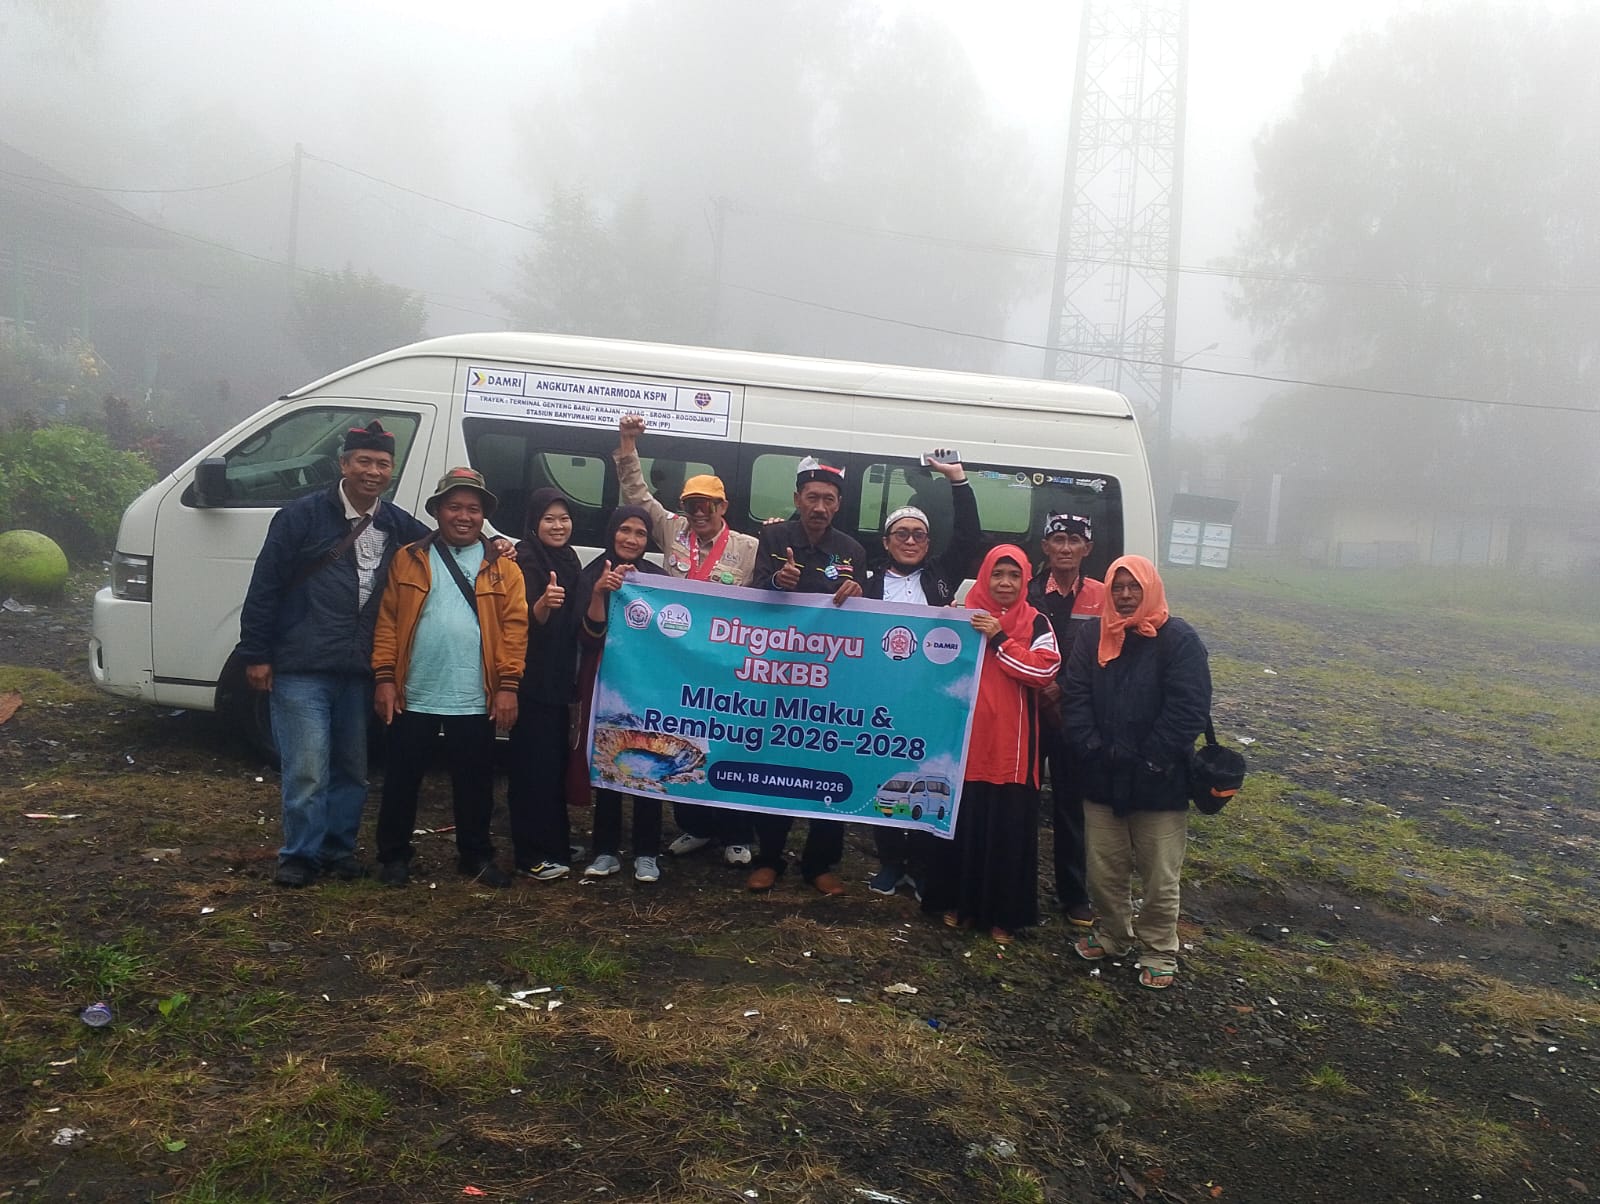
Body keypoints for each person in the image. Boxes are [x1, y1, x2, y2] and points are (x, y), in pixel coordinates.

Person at [237, 420, 429, 888]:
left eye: (382, 464)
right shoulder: (300, 516)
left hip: (359, 669)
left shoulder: (396, 523)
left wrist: (493, 545)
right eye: (363, 461)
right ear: (343, 464)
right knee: (307, 769)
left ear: (391, 470)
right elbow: (265, 585)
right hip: (302, 664)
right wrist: (256, 653)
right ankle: (300, 855)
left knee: (352, 770)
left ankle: (337, 850)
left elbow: (443, 543)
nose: (373, 472)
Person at [612, 414, 760, 866]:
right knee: (680, 741)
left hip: (723, 666)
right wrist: (628, 443)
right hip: (675, 664)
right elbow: (637, 494)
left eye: (707, 505)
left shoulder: (748, 547)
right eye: (691, 504)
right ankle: (694, 826)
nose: (698, 512)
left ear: (723, 506)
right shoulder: (672, 530)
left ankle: (737, 833)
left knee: (726, 743)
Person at [369, 468, 527, 888]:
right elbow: (388, 622)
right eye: (454, 507)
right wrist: (384, 678)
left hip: (475, 694)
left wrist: (508, 686)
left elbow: (515, 630)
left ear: (484, 515)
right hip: (413, 690)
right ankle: (393, 856)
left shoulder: (504, 568)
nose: (464, 516)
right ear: (437, 511)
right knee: (401, 779)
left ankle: (475, 856)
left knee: (475, 783)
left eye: (473, 509)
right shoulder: (408, 558)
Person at [1061, 555, 1210, 990]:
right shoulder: (1093, 635)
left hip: (1159, 779)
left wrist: (1150, 760)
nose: (1125, 595)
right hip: (1102, 774)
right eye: (1118, 587)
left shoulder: (1178, 639)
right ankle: (1113, 934)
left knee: (1159, 873)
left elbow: (1188, 709)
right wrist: (1092, 749)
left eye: (1134, 587)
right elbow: (1075, 696)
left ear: (1151, 589)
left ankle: (1159, 948)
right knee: (1104, 868)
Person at [921, 544, 1060, 943]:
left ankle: (1004, 916)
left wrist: (1001, 639)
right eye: (997, 574)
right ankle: (960, 905)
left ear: (1026, 580)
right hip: (963, 747)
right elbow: (932, 664)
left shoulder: (1036, 622)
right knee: (963, 826)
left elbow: (1043, 671)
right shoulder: (961, 616)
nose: (1005, 583)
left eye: (1014, 575)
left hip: (1011, 751)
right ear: (983, 576)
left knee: (1007, 831)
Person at [859, 450, 981, 897]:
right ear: (887, 541)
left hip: (932, 698)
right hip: (882, 698)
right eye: (902, 534)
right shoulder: (867, 582)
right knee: (887, 777)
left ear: (928, 543)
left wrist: (958, 481)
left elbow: (969, 537)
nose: (910, 541)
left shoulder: (941, 577)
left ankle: (923, 864)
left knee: (931, 776)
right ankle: (891, 861)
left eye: (918, 535)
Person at [746, 456, 864, 895]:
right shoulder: (774, 537)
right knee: (776, 763)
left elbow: (865, 617)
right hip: (780, 673)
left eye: (828, 500)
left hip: (832, 679)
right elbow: (755, 594)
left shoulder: (852, 551)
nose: (819, 507)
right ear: (797, 499)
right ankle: (769, 858)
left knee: (829, 764)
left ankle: (819, 863)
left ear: (838, 505)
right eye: (812, 498)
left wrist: (858, 593)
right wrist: (779, 581)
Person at [576, 505, 668, 883]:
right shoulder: (590, 574)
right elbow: (588, 637)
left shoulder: (658, 579)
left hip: (648, 689)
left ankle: (647, 853)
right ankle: (605, 851)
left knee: (649, 766)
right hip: (606, 685)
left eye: (640, 533)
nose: (631, 539)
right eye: (625, 530)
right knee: (608, 765)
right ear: (612, 532)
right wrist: (600, 592)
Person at [1027, 514, 1107, 931]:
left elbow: (1106, 653)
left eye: (1074, 540)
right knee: (1022, 803)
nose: (1065, 547)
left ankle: (1075, 894)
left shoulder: (1102, 595)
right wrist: (1042, 685)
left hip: (1074, 716)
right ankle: (1018, 887)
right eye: (1057, 539)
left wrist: (1064, 688)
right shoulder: (1026, 591)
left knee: (1071, 807)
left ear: (1087, 549)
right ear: (1045, 546)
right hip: (1028, 710)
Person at [505, 488, 584, 881]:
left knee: (553, 765)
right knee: (530, 768)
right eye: (549, 519)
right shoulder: (524, 558)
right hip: (530, 680)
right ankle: (529, 854)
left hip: (558, 681)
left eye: (564, 518)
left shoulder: (569, 558)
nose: (558, 526)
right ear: (534, 523)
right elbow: (520, 618)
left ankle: (555, 843)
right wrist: (542, 604)